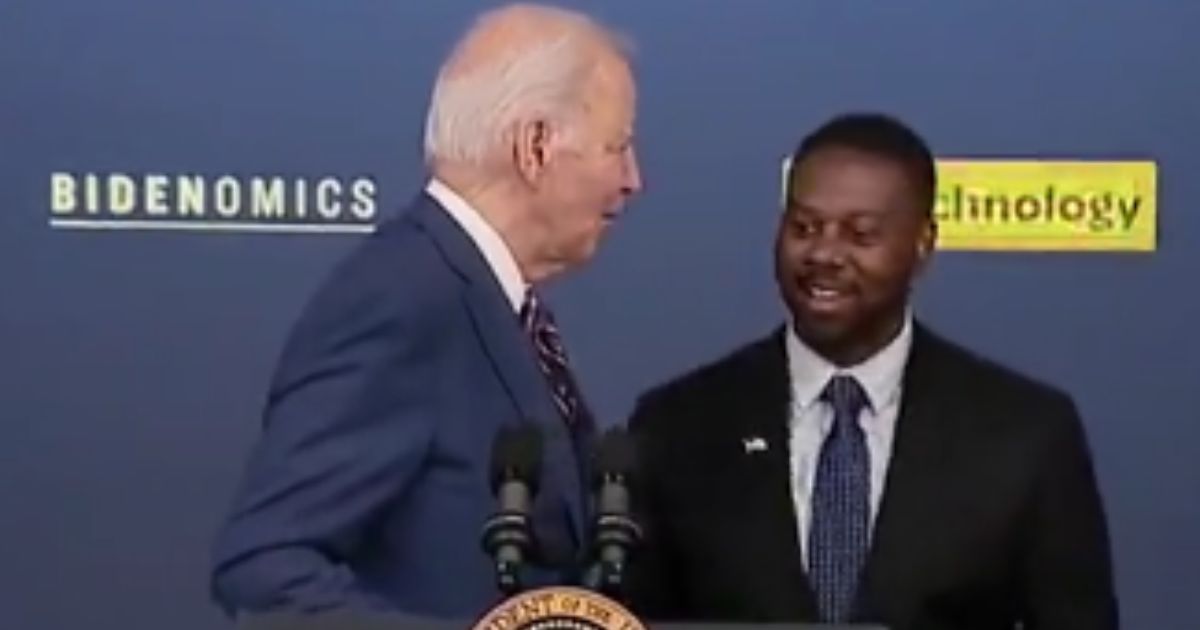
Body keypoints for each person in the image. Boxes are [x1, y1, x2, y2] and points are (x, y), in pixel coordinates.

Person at [209, 2, 642, 618]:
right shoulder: (404, 297)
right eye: (617, 147)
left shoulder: (485, 297)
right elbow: (266, 567)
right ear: (536, 146)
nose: (632, 179)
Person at [625, 113, 1117, 630]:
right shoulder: (679, 423)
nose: (824, 254)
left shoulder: (1025, 433)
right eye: (804, 228)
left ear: (923, 243)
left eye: (861, 234)